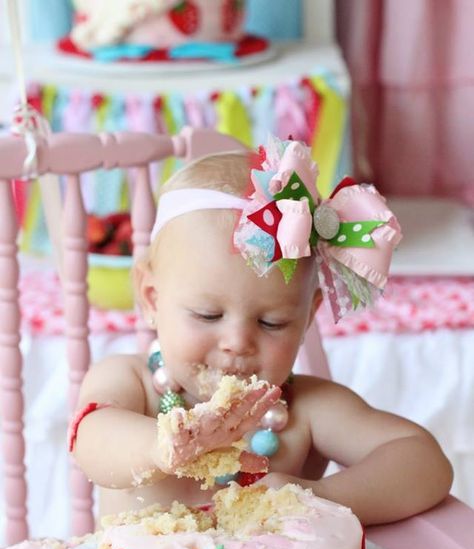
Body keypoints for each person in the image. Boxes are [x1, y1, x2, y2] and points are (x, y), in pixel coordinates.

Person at [70, 136, 453, 526]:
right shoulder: (131, 382)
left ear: (307, 319)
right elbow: (91, 440)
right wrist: (161, 446)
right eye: (207, 315)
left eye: (272, 322)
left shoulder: (305, 409)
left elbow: (424, 462)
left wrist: (320, 497)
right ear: (152, 299)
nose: (237, 342)